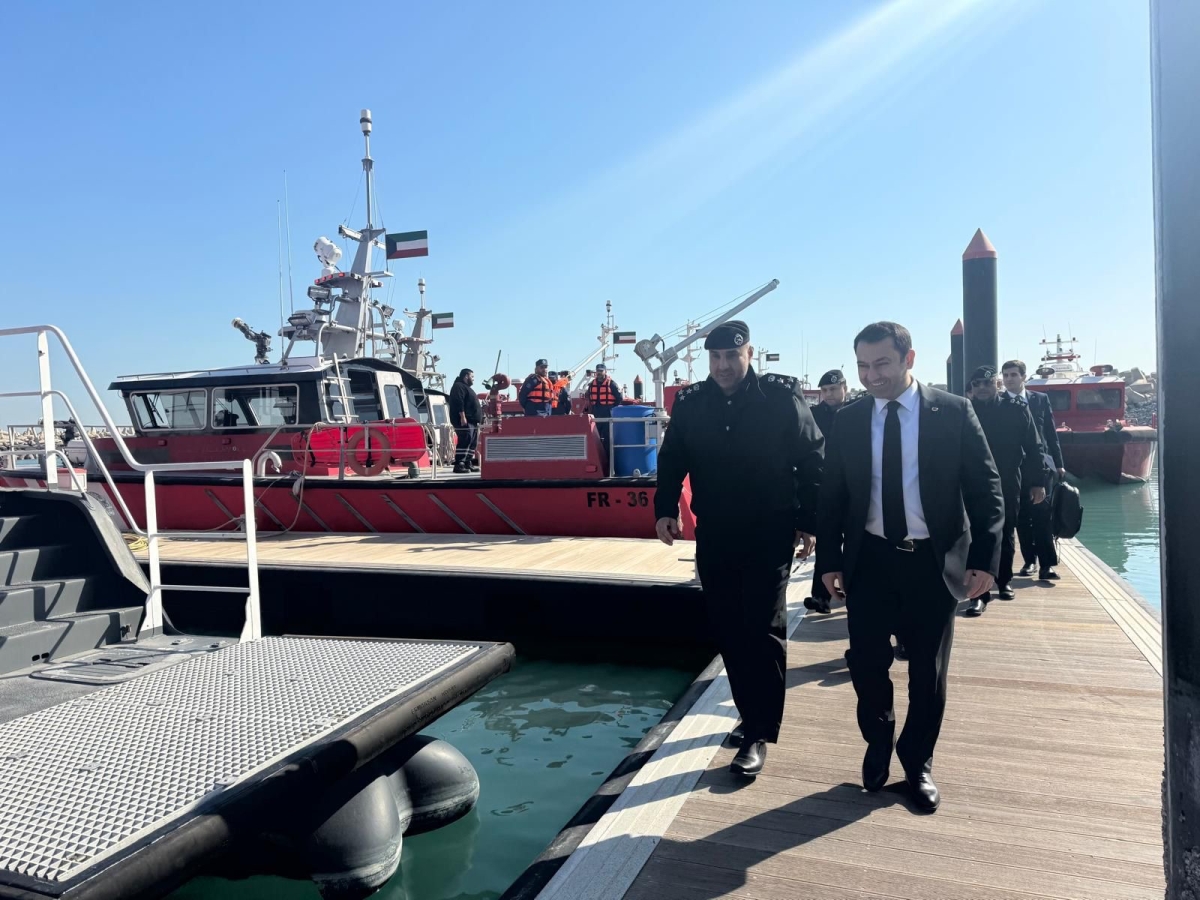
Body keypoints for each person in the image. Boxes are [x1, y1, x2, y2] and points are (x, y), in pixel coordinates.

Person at [817, 321, 1003, 813]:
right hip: (870, 560)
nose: (871, 376)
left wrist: (985, 560)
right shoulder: (849, 419)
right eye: (863, 366)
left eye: (881, 363)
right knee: (866, 664)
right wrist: (828, 561)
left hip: (933, 563)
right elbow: (832, 496)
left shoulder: (954, 412)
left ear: (909, 359)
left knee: (928, 671)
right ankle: (878, 742)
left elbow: (986, 488)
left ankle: (917, 762)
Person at [655, 320, 823, 778]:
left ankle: (758, 733)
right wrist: (665, 509)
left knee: (763, 628)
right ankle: (752, 714)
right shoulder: (692, 402)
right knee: (728, 629)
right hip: (716, 532)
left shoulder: (780, 397)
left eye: (732, 356)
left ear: (749, 353)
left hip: (769, 531)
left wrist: (809, 521)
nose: (724, 366)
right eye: (716, 358)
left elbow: (812, 458)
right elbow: (672, 458)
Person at [966, 366, 1047, 616]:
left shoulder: (1016, 409)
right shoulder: (964, 411)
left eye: (987, 383)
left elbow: (1034, 446)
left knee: (1007, 530)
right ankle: (978, 594)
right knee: (975, 533)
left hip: (1008, 480)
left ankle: (1003, 580)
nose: (982, 388)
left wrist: (1038, 482)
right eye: (977, 384)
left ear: (997, 384)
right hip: (972, 482)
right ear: (971, 387)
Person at [1002, 359, 1064, 580]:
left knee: (1042, 516)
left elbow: (1050, 432)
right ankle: (1029, 561)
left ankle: (1047, 565)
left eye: (1013, 374)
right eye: (1005, 375)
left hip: (1040, 466)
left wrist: (1059, 463)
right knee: (1022, 518)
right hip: (1014, 468)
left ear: (1023, 377)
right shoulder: (999, 403)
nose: (1009, 379)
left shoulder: (1040, 399)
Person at [805, 369, 852, 614]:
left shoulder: (857, 412)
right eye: (824, 390)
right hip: (825, 486)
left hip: (853, 488)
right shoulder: (813, 415)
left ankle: (853, 593)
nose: (828, 394)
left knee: (855, 545)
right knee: (825, 544)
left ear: (845, 388)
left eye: (833, 389)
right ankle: (820, 596)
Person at [586, 363, 624, 462]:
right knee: (595, 437)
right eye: (598, 371)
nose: (599, 373)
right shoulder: (592, 384)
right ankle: (598, 460)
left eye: (601, 371)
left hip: (608, 413)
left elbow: (619, 398)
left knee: (607, 438)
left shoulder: (612, 384)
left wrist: (612, 408)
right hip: (596, 414)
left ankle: (608, 461)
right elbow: (588, 397)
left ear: (605, 372)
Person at [447, 368, 481, 473]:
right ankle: (459, 464)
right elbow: (458, 401)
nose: (473, 379)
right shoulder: (458, 386)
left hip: (472, 421)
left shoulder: (467, 388)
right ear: (466, 376)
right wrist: (462, 416)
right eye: (472, 376)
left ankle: (467, 462)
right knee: (465, 440)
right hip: (464, 420)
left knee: (472, 442)